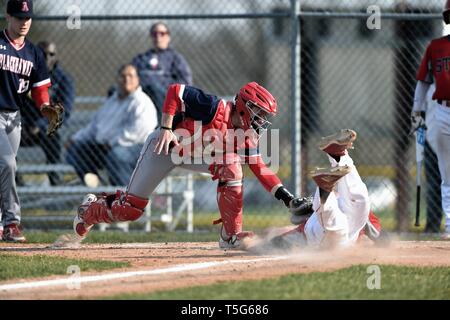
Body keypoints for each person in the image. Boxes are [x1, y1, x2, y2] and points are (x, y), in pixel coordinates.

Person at [72, 82, 311, 249]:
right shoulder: (212, 106)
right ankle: (89, 211)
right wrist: (165, 129)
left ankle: (230, 236)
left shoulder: (248, 135)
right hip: (167, 147)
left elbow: (261, 169)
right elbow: (175, 91)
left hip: (196, 155)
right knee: (130, 210)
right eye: (258, 112)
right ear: (243, 106)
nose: (262, 120)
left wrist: (288, 199)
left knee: (231, 165)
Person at [0, 0, 63, 242]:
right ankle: (12, 223)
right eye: (18, 17)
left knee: (4, 169)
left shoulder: (34, 52)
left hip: (14, 118)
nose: (24, 22)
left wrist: (45, 107)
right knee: (8, 165)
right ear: (8, 17)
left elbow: (40, 90)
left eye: (27, 18)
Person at [269, 129, 387, 250]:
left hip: (327, 229)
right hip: (329, 231)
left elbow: (277, 242)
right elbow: (381, 238)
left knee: (359, 202)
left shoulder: (304, 228)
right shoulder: (351, 209)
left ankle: (337, 158)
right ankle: (338, 159)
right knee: (355, 205)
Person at [65, 64, 158, 186]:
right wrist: (75, 138)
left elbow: (138, 131)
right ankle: (97, 185)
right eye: (123, 76)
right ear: (117, 79)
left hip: (138, 148)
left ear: (137, 80)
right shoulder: (112, 101)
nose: (126, 79)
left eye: (130, 76)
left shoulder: (141, 102)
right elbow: (94, 126)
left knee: (117, 155)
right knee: (76, 149)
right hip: (107, 147)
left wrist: (111, 142)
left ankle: (126, 198)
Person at [410, 1, 450, 239]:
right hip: (443, 113)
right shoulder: (436, 47)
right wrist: (417, 112)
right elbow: (423, 81)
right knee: (447, 173)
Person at [19, 41, 75, 186]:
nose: (47, 58)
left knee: (54, 137)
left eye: (51, 54)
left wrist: (41, 124)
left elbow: (64, 111)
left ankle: (55, 183)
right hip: (23, 127)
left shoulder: (64, 79)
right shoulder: (22, 76)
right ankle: (17, 183)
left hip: (49, 128)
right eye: (43, 54)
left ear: (56, 58)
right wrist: (21, 124)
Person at [132, 22, 193, 119]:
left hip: (165, 99)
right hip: (140, 97)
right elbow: (129, 76)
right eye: (154, 34)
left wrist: (162, 87)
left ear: (168, 36)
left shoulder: (175, 58)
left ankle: (162, 126)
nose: (158, 37)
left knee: (154, 89)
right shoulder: (141, 58)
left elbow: (186, 83)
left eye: (162, 33)